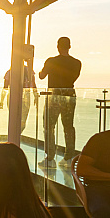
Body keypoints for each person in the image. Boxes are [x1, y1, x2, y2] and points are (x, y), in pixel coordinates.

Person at [39, 37, 81, 165]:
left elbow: (41, 76)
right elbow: (73, 78)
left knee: (49, 125)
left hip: (54, 94)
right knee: (68, 126)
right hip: (70, 93)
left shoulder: (51, 61)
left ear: (58, 46)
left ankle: (50, 156)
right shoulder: (77, 63)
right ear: (70, 46)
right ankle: (69, 156)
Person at [0, 66, 39, 133]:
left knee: (14, 120)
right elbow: (33, 85)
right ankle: (17, 136)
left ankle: (15, 136)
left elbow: (5, 87)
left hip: (13, 97)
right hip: (24, 97)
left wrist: (2, 101)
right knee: (22, 121)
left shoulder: (10, 72)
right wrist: (35, 96)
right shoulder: (29, 71)